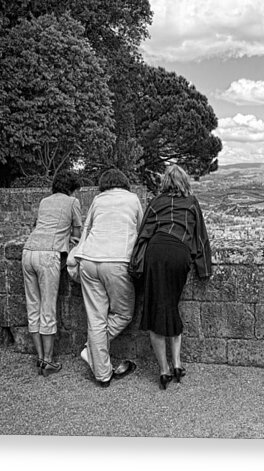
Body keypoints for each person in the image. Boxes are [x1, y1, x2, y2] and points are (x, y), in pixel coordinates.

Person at [134, 164, 212, 390]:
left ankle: (164, 370)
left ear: (165, 183)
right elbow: (201, 237)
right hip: (180, 254)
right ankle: (177, 364)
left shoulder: (156, 202)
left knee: (154, 309)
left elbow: (143, 234)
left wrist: (135, 265)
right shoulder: (191, 203)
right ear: (185, 182)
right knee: (171, 305)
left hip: (156, 253)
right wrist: (203, 269)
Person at [76, 168, 143, 387]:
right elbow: (141, 232)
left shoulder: (97, 199)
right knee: (124, 314)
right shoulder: (133, 199)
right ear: (124, 183)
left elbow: (86, 229)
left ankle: (103, 374)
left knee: (96, 318)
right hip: (117, 261)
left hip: (88, 259)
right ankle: (92, 351)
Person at [22, 170, 82, 376]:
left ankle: (40, 358)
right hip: (48, 255)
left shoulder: (44, 202)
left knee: (33, 306)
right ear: (72, 188)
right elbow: (77, 233)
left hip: (28, 251)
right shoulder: (72, 202)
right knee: (48, 308)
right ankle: (48, 360)